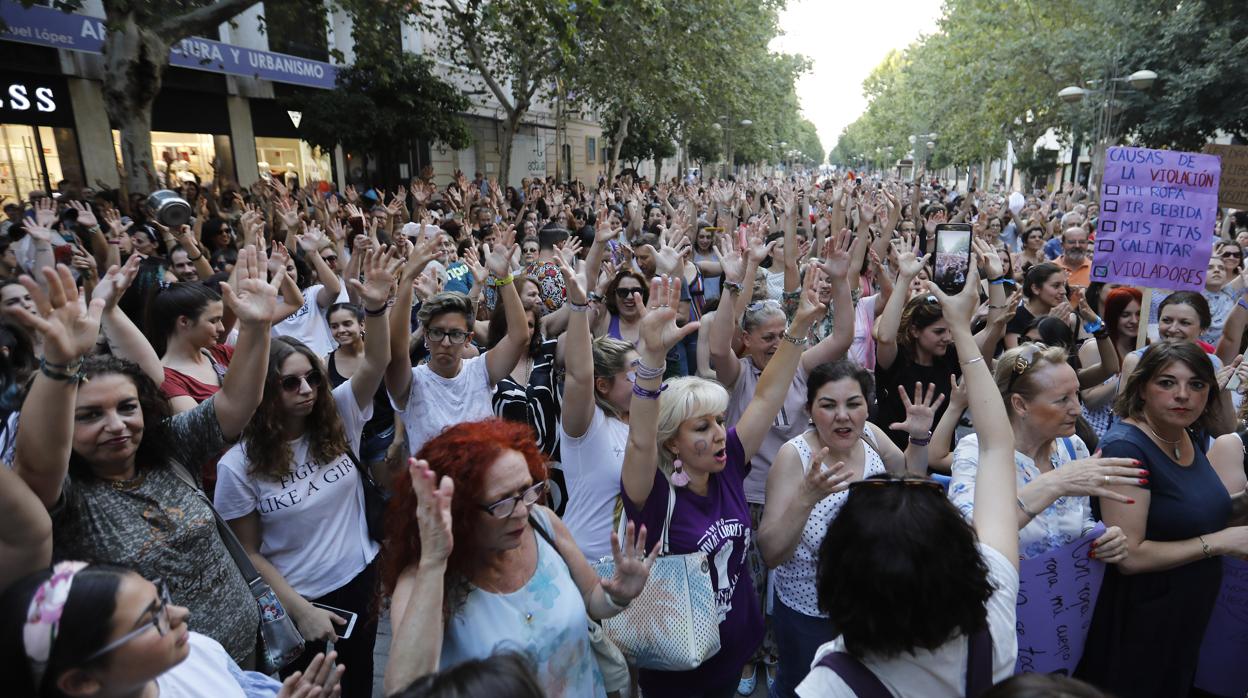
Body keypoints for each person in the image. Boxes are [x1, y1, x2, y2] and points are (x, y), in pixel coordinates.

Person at [11, 250, 276, 664]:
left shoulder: (168, 449)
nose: (116, 425)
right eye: (91, 415)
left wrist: (258, 328)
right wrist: (60, 367)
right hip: (162, 679)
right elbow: (36, 465)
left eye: (127, 408)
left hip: (247, 660)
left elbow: (236, 403)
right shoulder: (65, 497)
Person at [796, 260, 1022, 697]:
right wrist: (960, 327)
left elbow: (994, 447)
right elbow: (997, 446)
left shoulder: (827, 686)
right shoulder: (992, 614)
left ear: (841, 577)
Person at [620, 272, 824, 698]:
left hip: (733, 653)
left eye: (718, 421)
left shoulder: (726, 466)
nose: (718, 433)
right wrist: (652, 360)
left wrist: (800, 327)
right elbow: (640, 439)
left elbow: (766, 397)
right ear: (672, 439)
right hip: (681, 671)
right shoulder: (654, 494)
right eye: (702, 427)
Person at [214, 247, 398, 697]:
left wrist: (374, 307)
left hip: (361, 580)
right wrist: (300, 610)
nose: (307, 390)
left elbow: (375, 363)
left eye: (312, 378)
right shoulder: (237, 466)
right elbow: (249, 553)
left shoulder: (339, 414)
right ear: (263, 390)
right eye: (289, 382)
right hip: (303, 600)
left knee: (360, 687)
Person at [380, 420, 657, 698]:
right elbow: (404, 689)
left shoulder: (543, 523)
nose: (522, 512)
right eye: (502, 502)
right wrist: (434, 561)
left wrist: (618, 596)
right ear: (460, 511)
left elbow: (591, 598)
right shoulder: (426, 575)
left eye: (527, 490)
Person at [758, 360, 943, 697]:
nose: (843, 415)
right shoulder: (793, 457)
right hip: (810, 613)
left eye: (853, 404)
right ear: (811, 411)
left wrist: (918, 438)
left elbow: (911, 485)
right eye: (828, 405)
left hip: (872, 603)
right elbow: (770, 552)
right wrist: (806, 496)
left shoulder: (871, 436)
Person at [1077, 341, 1248, 697]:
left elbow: (1189, 512)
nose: (1183, 395)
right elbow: (1130, 556)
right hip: (1143, 620)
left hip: (1184, 613)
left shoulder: (1183, 432)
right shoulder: (1126, 447)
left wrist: (1242, 503)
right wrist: (1217, 543)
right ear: (1141, 388)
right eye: (1167, 383)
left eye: (1197, 385)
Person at [1, 562, 344, 698]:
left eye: (161, 599)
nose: (182, 613)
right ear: (81, 681)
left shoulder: (196, 650)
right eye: (152, 620)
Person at [947, 343, 1139, 560]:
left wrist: (1101, 539)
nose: (1077, 408)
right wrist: (1053, 483)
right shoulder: (977, 451)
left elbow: (1082, 518)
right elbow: (968, 533)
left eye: (1076, 393)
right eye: (1062, 400)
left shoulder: (1073, 446)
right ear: (1020, 405)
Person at [386, 230, 529, 457]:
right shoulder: (411, 383)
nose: (445, 342)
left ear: (468, 339)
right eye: (437, 333)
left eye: (454, 334)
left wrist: (504, 278)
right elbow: (395, 350)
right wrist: (408, 279)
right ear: (425, 336)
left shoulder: (480, 370)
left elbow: (519, 337)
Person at [326, 302, 398, 468]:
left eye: (347, 323)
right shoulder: (325, 364)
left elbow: (398, 398)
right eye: (334, 326)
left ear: (362, 324)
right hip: (350, 443)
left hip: (385, 436)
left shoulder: (380, 356)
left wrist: (399, 439)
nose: (341, 330)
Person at [1080, 287, 1143, 437]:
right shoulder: (1094, 348)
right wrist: (1128, 375)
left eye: (1139, 314)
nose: (1134, 320)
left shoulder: (1147, 348)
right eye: (1126, 315)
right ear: (1113, 316)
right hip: (1098, 435)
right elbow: (1090, 400)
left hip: (1133, 434)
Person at [1006, 262, 1067, 348]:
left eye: (1063, 285)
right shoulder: (1016, 317)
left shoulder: (1063, 316)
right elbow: (1017, 359)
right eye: (1056, 286)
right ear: (1035, 288)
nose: (1063, 291)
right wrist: (1048, 326)